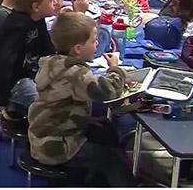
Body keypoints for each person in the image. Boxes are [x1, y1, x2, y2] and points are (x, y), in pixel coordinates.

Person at [28, 12, 134, 187]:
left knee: (104, 128)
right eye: (93, 41)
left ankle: (91, 181)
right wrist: (116, 69)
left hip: (47, 133)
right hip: (56, 146)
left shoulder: (55, 63)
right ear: (77, 48)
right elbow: (108, 91)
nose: (97, 44)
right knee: (113, 160)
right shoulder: (74, 74)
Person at [0, 0, 56, 120]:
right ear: (36, 7)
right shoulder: (15, 26)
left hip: (33, 74)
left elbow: (48, 50)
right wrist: (1, 99)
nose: (56, 3)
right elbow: (3, 62)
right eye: (51, 1)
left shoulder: (38, 20)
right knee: (49, 108)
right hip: (16, 82)